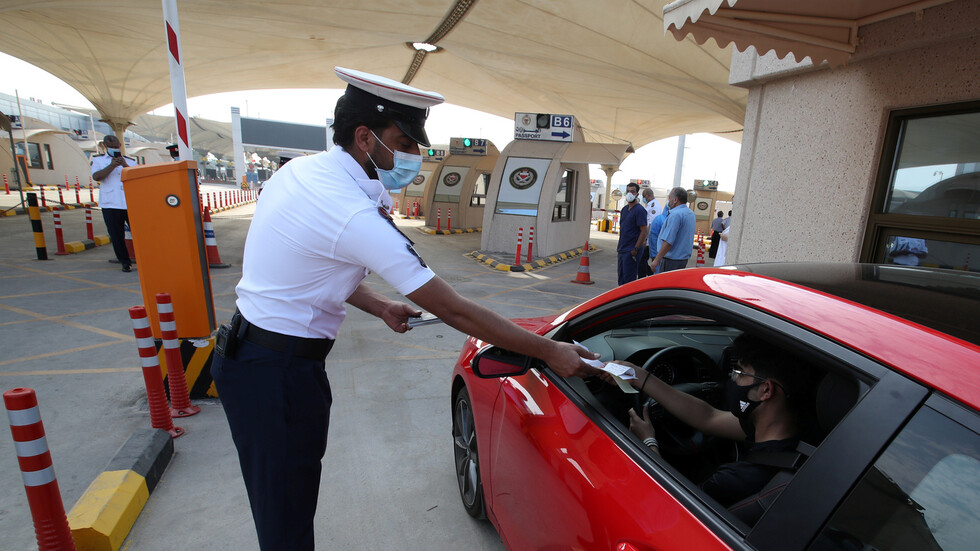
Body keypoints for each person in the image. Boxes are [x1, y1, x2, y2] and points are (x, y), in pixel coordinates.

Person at [209, 67, 601, 551]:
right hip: (278, 376)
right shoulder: (351, 211)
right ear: (364, 137)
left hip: (257, 360)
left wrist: (377, 305)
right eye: (405, 142)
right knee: (285, 517)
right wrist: (548, 351)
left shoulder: (303, 173)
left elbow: (307, 265)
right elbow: (454, 309)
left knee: (284, 504)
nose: (415, 156)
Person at [606, 335, 802, 508]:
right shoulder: (787, 431)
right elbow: (709, 417)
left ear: (766, 390)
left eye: (741, 373)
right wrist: (639, 376)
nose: (733, 379)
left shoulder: (736, 478)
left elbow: (669, 505)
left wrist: (648, 442)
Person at [90, 135, 135, 272]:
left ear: (120, 145)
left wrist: (124, 165)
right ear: (105, 146)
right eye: (111, 147)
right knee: (116, 235)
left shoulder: (130, 162)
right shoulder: (98, 161)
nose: (114, 149)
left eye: (116, 146)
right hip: (111, 204)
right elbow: (97, 177)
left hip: (130, 203)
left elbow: (136, 176)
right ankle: (125, 262)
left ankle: (145, 258)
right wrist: (111, 166)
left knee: (139, 233)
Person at [649, 187, 696, 273]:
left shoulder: (675, 215)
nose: (668, 200)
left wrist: (656, 260)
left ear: (675, 199)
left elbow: (668, 241)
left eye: (669, 197)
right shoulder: (690, 214)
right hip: (682, 260)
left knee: (665, 284)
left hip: (670, 261)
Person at [616, 182, 649, 285]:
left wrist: (636, 249)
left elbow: (644, 231)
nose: (630, 193)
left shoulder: (639, 211)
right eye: (628, 191)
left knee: (628, 280)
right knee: (621, 279)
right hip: (622, 249)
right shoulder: (624, 210)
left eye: (632, 192)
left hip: (631, 251)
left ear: (637, 194)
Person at [636, 187, 658, 278]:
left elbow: (650, 224)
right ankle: (649, 274)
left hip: (648, 240)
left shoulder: (654, 206)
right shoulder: (650, 205)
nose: (643, 199)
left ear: (649, 195)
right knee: (642, 260)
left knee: (642, 260)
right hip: (647, 239)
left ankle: (644, 278)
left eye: (644, 196)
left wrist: (645, 239)